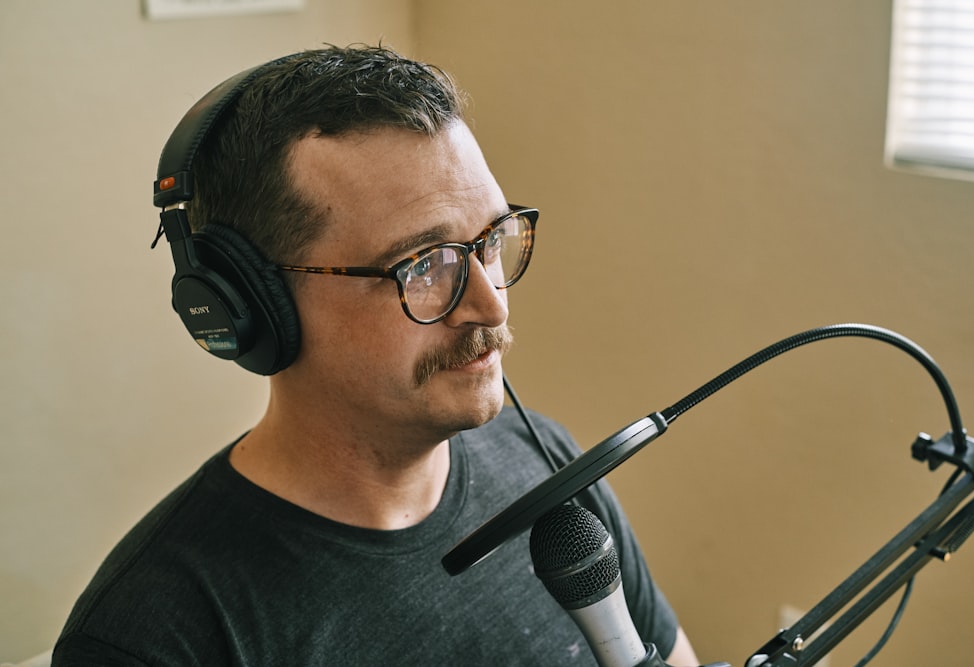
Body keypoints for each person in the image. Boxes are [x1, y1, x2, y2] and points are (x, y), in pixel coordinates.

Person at [53, 45, 700, 666]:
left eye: (491, 241)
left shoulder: (544, 463)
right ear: (256, 305)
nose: (491, 305)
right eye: (422, 264)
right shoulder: (155, 633)